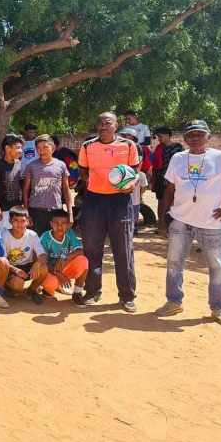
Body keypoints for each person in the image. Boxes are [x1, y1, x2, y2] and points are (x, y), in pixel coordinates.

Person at [157, 120, 221, 327]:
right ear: (185, 138)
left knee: (217, 267)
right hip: (180, 220)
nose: (195, 138)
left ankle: (219, 308)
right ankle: (174, 302)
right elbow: (169, 190)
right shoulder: (178, 158)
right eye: (190, 135)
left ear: (208, 136)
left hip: (212, 223)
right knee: (174, 263)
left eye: (199, 134)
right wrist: (162, 220)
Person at [78, 112, 140, 311]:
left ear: (116, 125)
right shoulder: (87, 146)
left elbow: (135, 172)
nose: (103, 126)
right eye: (100, 123)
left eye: (107, 123)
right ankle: (92, 292)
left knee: (123, 249)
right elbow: (83, 171)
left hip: (120, 201)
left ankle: (127, 296)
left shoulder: (128, 145)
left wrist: (130, 185)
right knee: (92, 248)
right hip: (94, 201)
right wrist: (94, 183)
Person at [23, 134, 72, 235]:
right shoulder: (31, 166)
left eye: (45, 147)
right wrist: (27, 213)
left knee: (54, 240)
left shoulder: (61, 165)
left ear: (53, 148)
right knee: (37, 241)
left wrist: (70, 213)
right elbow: (25, 191)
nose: (41, 151)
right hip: (36, 212)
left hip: (56, 211)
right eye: (38, 148)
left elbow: (66, 191)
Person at [40, 209, 89, 305]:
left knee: (83, 260)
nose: (60, 226)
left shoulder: (69, 233)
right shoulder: (45, 237)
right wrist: (57, 273)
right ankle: (47, 290)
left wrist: (65, 257)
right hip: (50, 270)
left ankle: (77, 293)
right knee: (51, 283)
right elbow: (42, 261)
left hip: (64, 267)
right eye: (56, 223)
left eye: (63, 223)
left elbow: (81, 250)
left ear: (67, 225)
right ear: (51, 224)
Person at [2, 206, 49, 303]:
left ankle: (31, 291)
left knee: (44, 268)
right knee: (18, 285)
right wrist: (16, 270)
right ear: (10, 221)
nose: (19, 224)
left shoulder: (32, 235)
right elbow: (2, 260)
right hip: (10, 267)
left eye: (23, 221)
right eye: (16, 220)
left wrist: (37, 264)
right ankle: (7, 287)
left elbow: (43, 255)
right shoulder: (4, 235)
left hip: (27, 267)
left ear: (28, 221)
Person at [0, 134, 24, 225]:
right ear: (7, 148)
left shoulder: (19, 164)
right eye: (18, 148)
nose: (21, 151)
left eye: (21, 148)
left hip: (16, 210)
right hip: (1, 211)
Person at [151, 126, 184, 227]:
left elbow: (181, 164)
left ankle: (171, 224)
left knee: (173, 201)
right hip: (160, 178)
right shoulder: (159, 148)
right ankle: (161, 223)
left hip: (174, 179)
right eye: (158, 136)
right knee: (161, 202)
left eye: (160, 136)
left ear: (167, 135)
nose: (159, 138)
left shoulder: (178, 147)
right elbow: (155, 164)